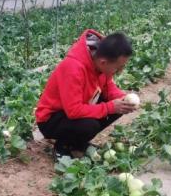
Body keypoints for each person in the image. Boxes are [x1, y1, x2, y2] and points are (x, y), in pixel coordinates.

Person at [35, 30, 138, 160]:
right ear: (103, 62)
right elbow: (73, 110)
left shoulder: (99, 63)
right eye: (118, 68)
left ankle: (78, 143)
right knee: (89, 125)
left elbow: (109, 89)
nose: (119, 72)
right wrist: (109, 107)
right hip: (52, 119)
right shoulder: (73, 68)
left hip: (75, 109)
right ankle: (62, 147)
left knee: (119, 107)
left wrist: (123, 99)